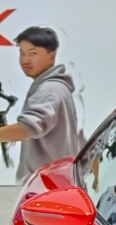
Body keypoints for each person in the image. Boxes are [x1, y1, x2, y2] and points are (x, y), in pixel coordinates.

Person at [0, 26, 83, 182]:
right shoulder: (55, 86)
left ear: (52, 55)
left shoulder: (49, 90)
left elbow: (26, 129)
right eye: (22, 53)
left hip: (46, 183)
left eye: (33, 53)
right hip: (55, 179)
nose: (25, 60)